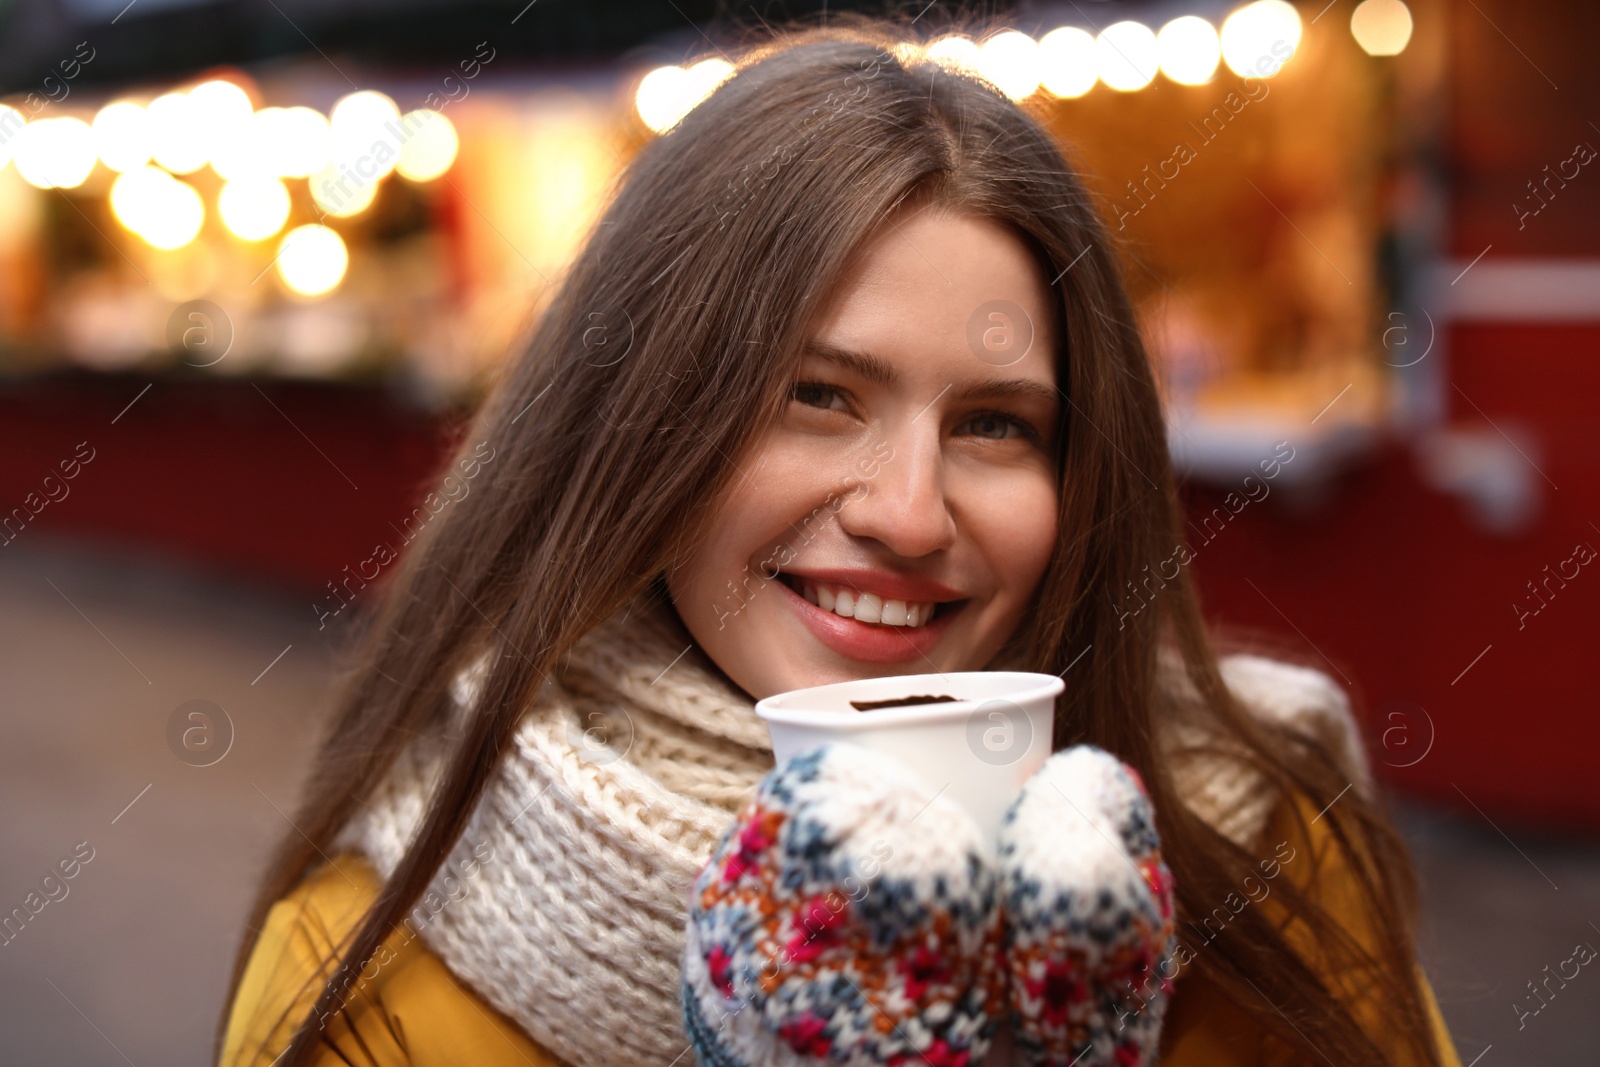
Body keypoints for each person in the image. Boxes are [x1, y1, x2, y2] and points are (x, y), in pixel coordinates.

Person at [217, 21, 1462, 1067]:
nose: (910, 514)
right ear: (639, 420)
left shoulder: (1263, 853)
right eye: (816, 394)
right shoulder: (366, 966)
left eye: (994, 423)